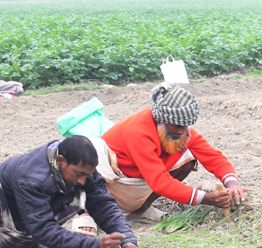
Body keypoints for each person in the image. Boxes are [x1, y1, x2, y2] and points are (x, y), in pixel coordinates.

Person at [0, 136, 142, 248]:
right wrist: (94, 246)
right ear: (60, 161)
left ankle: (33, 246)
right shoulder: (30, 176)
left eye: (87, 174)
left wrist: (127, 240)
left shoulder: (83, 170)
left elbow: (104, 206)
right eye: (78, 173)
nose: (83, 179)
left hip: (30, 232)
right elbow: (43, 228)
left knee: (79, 189)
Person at [94, 83, 244, 222]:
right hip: (111, 183)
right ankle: (85, 213)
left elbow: (213, 157)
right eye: (177, 126)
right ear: (161, 120)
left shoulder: (181, 131)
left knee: (188, 158)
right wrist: (205, 198)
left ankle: (141, 209)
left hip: (140, 176)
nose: (182, 130)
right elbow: (159, 181)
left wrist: (232, 184)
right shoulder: (138, 131)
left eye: (185, 126)